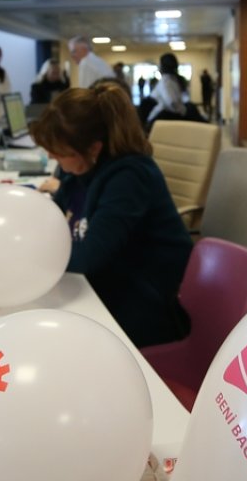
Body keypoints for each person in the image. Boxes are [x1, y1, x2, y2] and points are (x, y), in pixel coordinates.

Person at [30, 82, 192, 347]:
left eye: (61, 153)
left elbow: (89, 258)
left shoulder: (129, 178)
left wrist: (33, 259)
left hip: (144, 300)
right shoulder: (76, 172)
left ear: (93, 148)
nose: (52, 156)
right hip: (106, 284)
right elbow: (53, 224)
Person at [147, 52, 187, 125]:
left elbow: (172, 102)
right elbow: (173, 102)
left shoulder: (167, 81)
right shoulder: (170, 80)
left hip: (164, 117)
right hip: (162, 116)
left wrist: (182, 112)